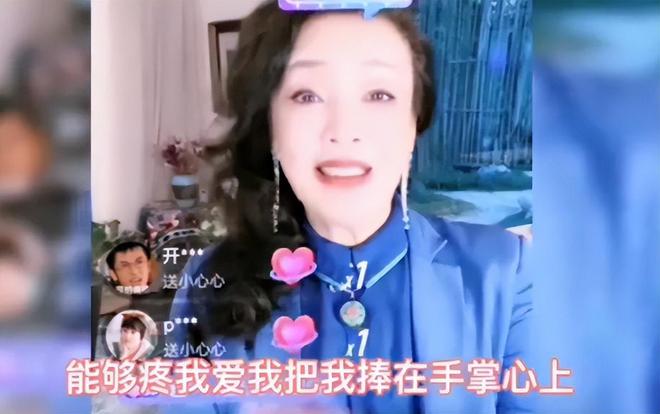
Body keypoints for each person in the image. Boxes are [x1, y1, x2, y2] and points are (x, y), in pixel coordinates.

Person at [170, 2, 532, 413]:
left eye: (379, 94)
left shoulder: (505, 271)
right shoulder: (207, 284)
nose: (344, 131)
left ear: (415, 122)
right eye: (307, 95)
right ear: (270, 126)